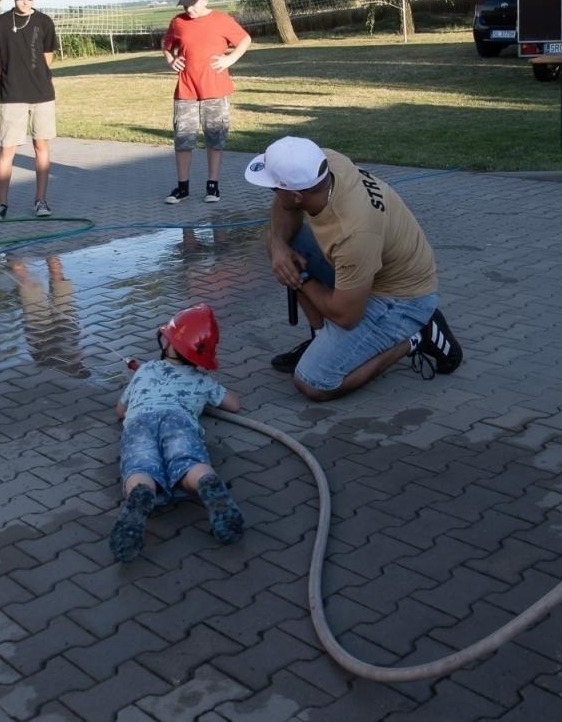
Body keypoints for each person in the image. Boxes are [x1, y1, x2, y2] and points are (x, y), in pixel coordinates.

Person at [245, 135, 462, 401]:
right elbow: (284, 204)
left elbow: (346, 315)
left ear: (298, 195)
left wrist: (299, 277)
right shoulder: (325, 163)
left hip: (402, 296)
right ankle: (320, 339)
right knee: (282, 244)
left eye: (273, 188)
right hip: (368, 266)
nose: (273, 194)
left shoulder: (354, 233)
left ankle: (419, 336)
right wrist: (279, 246)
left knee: (314, 382)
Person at [108, 304, 244, 563]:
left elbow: (120, 410)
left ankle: (141, 492)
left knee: (140, 463)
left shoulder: (146, 370)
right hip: (178, 420)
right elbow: (234, 404)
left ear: (168, 345)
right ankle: (205, 482)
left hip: (139, 421)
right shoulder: (202, 380)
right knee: (187, 460)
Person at [161, 0, 251, 205]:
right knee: (183, 139)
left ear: (204, 0)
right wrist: (171, 60)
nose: (188, 9)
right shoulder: (178, 22)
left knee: (215, 137)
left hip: (215, 89)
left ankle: (213, 186)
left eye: (192, 4)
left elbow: (245, 39)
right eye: (185, 4)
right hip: (186, 90)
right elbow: (166, 43)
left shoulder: (221, 19)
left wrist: (230, 58)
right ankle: (182, 188)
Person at [0, 0, 59, 221]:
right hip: (12, 95)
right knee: (7, 149)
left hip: (41, 94)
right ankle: (1, 204)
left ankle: (41, 201)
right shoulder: (1, 23)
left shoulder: (44, 22)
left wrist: (37, 76)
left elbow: (47, 57)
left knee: (42, 146)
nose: (26, 1)